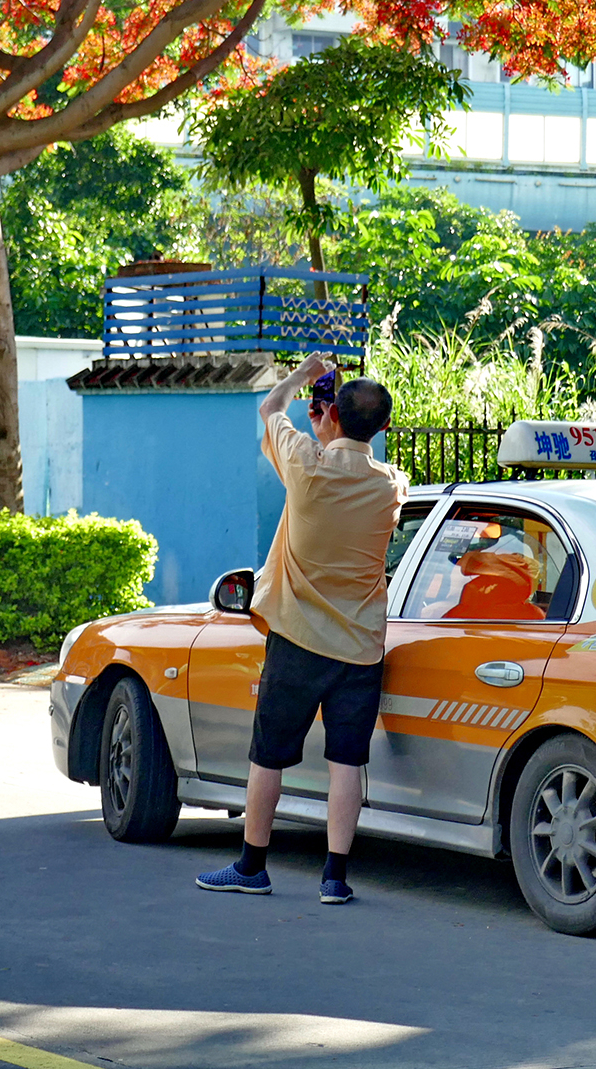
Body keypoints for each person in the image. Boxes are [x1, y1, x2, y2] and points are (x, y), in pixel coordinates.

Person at [196, 352, 406, 905]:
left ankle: (251, 866)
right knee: (347, 761)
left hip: (297, 641)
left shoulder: (306, 466)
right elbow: (364, 471)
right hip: (360, 648)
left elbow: (269, 408)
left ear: (331, 411)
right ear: (384, 427)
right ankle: (335, 878)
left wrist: (303, 377)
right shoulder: (392, 486)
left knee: (268, 754)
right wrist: (333, 428)